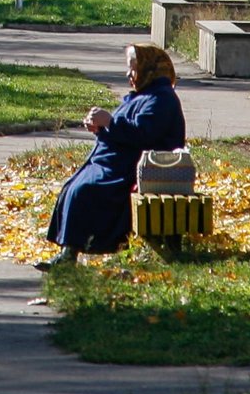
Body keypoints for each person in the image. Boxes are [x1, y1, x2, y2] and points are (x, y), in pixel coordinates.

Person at [37, 43, 186, 270]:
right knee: (74, 187)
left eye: (133, 69)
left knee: (85, 191)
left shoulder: (162, 98)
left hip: (134, 170)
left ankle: (71, 253)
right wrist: (100, 127)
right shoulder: (144, 95)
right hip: (117, 163)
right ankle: (69, 251)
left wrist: (110, 122)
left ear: (149, 69)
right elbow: (124, 130)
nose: (128, 74)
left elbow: (144, 134)